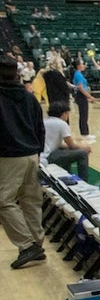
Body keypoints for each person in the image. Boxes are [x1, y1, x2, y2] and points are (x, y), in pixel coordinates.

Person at [0, 57, 46, 269]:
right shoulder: (29, 97)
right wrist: (38, 151)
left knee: (4, 201)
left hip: (9, 157)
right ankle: (36, 243)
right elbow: (40, 126)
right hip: (32, 154)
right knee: (31, 201)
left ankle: (27, 245)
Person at [41, 100, 91, 179]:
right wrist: (84, 147)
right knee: (82, 154)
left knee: (65, 152)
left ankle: (66, 176)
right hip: (48, 156)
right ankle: (83, 181)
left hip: (40, 155)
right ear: (64, 113)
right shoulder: (61, 124)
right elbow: (72, 145)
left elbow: (59, 144)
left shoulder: (44, 121)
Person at [70, 59, 97, 138]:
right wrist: (90, 96)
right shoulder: (78, 74)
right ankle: (85, 133)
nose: (84, 65)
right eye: (82, 64)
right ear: (78, 66)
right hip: (80, 95)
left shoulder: (79, 74)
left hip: (82, 95)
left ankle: (85, 133)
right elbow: (81, 88)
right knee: (83, 115)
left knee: (84, 114)